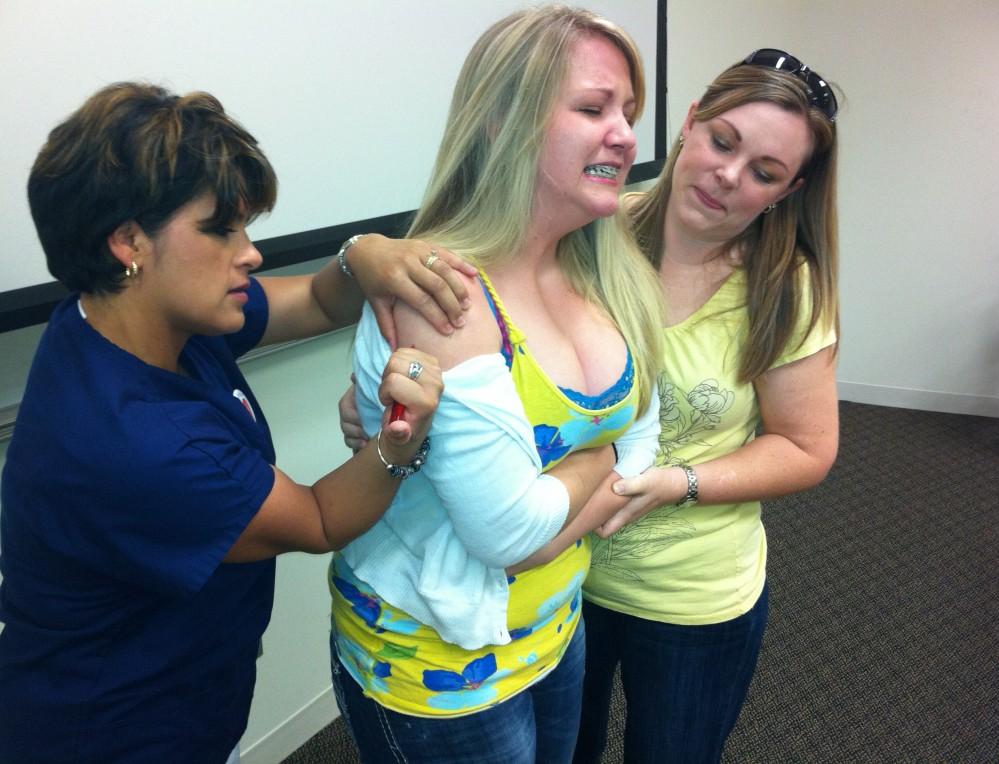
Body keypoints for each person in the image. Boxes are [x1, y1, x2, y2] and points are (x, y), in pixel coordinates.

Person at [343, 46, 841, 764]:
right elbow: (489, 364)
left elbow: (807, 447)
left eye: (764, 172)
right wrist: (380, 380)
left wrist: (678, 482)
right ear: (690, 123)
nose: (727, 177)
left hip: (685, 591)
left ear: (788, 191)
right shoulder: (594, 229)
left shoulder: (783, 289)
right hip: (568, 583)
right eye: (721, 142)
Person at [0, 82, 468, 764]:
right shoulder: (142, 444)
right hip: (114, 729)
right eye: (221, 230)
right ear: (128, 242)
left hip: (168, 686)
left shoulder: (116, 317)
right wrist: (405, 438)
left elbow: (312, 298)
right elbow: (319, 520)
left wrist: (361, 253)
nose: (249, 252)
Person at [327, 7, 664, 764]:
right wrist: (603, 467)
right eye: (593, 108)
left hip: (552, 627)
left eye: (628, 113)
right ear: (502, 119)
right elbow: (510, 537)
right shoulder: (443, 292)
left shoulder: (603, 269)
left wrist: (562, 511)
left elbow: (647, 429)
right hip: (436, 667)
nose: (625, 134)